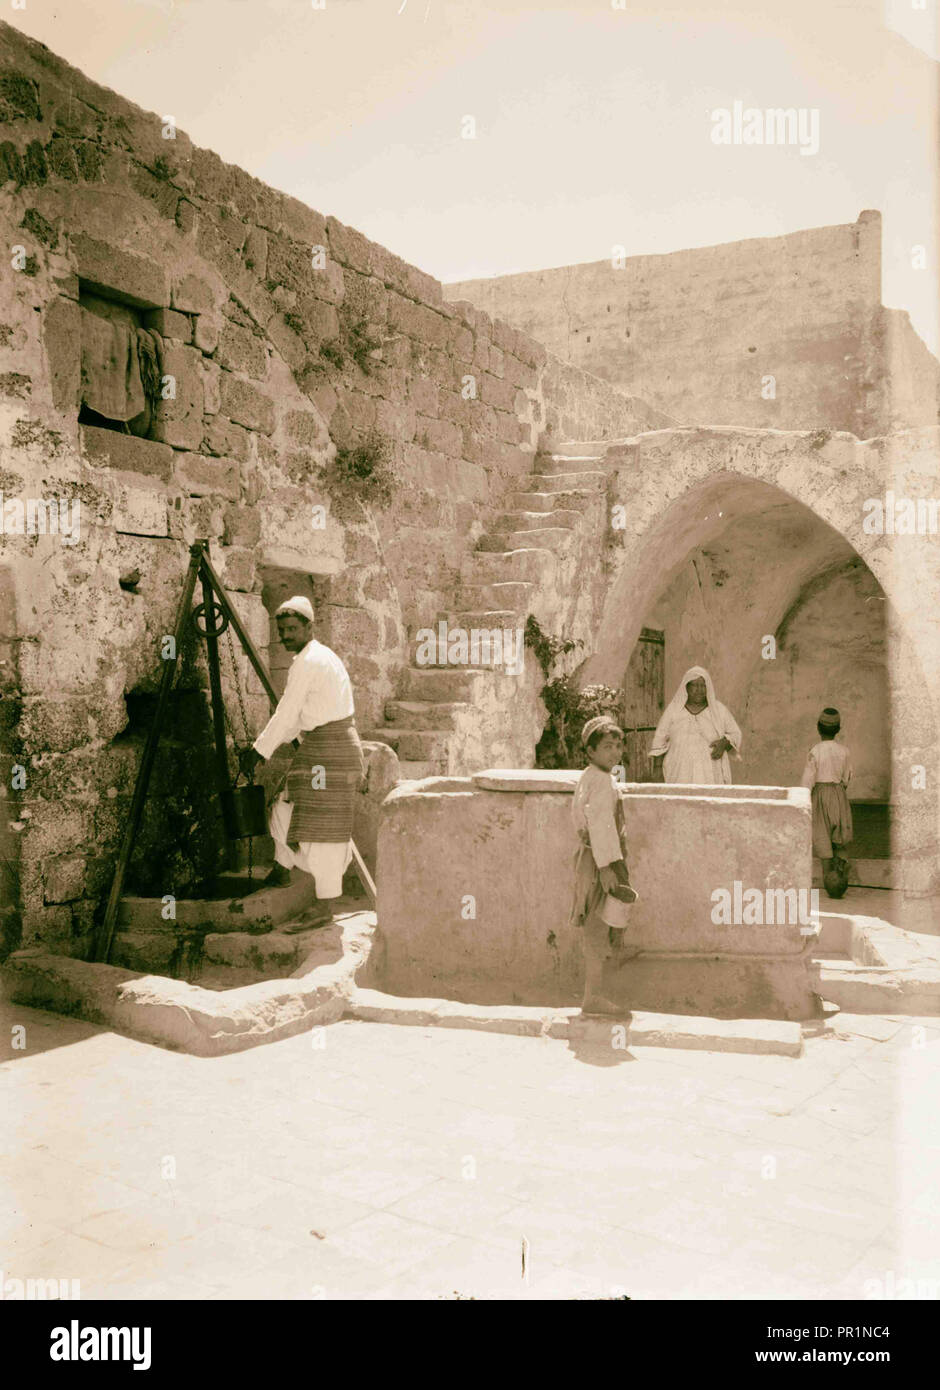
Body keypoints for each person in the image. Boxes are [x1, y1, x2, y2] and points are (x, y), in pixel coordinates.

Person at [239, 596, 364, 930]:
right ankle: (282, 869)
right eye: (282, 631)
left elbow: (288, 713)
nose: (287, 636)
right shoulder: (314, 657)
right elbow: (300, 719)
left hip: (331, 752)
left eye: (293, 629)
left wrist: (258, 751)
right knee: (283, 807)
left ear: (310, 626)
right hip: (324, 748)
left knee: (323, 831)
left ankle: (325, 907)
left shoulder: (311, 661)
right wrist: (263, 747)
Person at [569, 715, 639, 1016]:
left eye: (618, 745)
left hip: (593, 859)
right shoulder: (601, 782)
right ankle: (592, 998)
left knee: (599, 924)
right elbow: (600, 826)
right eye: (608, 746)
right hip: (601, 862)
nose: (615, 752)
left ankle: (595, 994)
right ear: (591, 751)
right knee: (599, 926)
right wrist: (608, 868)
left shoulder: (590, 776)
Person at [649, 665, 742, 784]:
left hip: (710, 774)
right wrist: (657, 770)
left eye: (703, 685)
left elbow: (735, 733)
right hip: (678, 773)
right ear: (686, 687)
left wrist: (724, 743)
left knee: (708, 800)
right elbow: (659, 739)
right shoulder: (674, 710)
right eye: (695, 685)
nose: (699, 690)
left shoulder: (718, 710)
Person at [801, 707, 853, 896]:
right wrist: (838, 791)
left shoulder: (815, 751)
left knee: (822, 836)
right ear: (838, 729)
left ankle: (829, 882)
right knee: (839, 835)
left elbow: (808, 781)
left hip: (820, 794)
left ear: (818, 728)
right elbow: (847, 778)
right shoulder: (844, 751)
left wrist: (806, 797)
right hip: (839, 795)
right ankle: (840, 880)